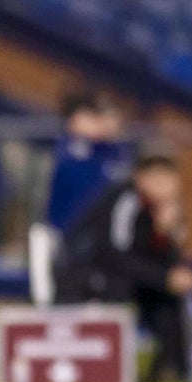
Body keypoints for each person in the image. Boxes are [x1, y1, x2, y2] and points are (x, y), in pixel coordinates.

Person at [54, 143, 192, 382]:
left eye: (166, 174)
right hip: (91, 273)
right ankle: (112, 370)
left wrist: (168, 234)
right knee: (123, 288)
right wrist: (165, 277)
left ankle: (170, 368)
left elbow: (168, 259)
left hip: (135, 275)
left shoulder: (167, 209)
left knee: (172, 298)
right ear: (139, 177)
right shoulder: (125, 200)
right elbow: (112, 254)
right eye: (153, 174)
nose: (161, 181)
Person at [30, 91, 130, 306]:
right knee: (54, 303)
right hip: (61, 241)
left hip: (102, 247)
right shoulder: (71, 149)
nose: (102, 122)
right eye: (94, 116)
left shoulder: (116, 153)